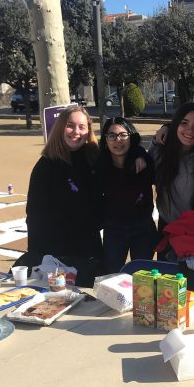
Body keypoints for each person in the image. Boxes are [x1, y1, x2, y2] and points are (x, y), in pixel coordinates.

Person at [24, 106, 103, 286]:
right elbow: (34, 215)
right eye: (70, 125)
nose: (76, 132)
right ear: (60, 127)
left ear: (88, 130)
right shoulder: (45, 166)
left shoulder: (94, 158)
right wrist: (38, 256)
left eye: (82, 127)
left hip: (89, 248)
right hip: (57, 253)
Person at [98, 117, 157, 273]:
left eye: (123, 135)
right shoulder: (100, 164)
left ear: (131, 137)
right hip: (114, 229)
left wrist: (140, 154)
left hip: (143, 228)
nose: (118, 140)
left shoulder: (144, 162)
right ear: (105, 140)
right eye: (112, 136)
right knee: (110, 275)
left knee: (141, 277)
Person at [150, 102, 194, 229]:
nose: (190, 130)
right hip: (167, 226)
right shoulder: (160, 149)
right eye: (184, 123)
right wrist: (138, 157)